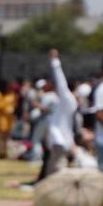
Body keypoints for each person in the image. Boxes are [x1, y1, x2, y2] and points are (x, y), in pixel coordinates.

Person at [38, 49, 77, 183]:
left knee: (53, 171)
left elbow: (60, 81)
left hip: (59, 142)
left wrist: (54, 61)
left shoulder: (66, 98)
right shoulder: (69, 101)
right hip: (62, 141)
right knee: (53, 168)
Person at [0, 81, 16, 161]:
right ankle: (1, 153)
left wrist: (12, 108)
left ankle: (5, 152)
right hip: (1, 118)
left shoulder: (11, 94)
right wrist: (6, 107)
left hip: (9, 119)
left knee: (6, 137)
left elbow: (14, 104)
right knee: (1, 137)